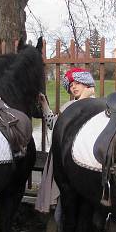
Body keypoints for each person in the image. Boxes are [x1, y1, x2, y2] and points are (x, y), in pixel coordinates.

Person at [35, 67, 96, 214]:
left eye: (76, 83)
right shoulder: (69, 107)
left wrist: (85, 99)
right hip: (66, 166)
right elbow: (54, 125)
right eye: (70, 85)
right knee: (63, 213)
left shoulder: (98, 106)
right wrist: (44, 104)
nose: (73, 87)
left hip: (87, 166)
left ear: (86, 83)